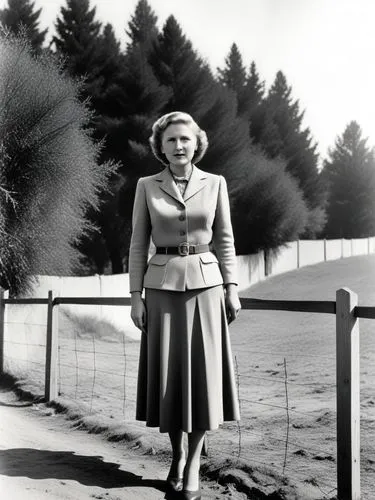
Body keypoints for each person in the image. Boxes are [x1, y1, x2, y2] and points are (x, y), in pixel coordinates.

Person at [129, 111, 241, 500]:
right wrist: (135, 297)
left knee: (202, 379)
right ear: (160, 146)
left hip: (207, 290)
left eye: (185, 139)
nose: (179, 146)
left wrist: (232, 287)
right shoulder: (146, 185)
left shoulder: (216, 184)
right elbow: (137, 244)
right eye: (171, 140)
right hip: (160, 289)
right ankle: (176, 456)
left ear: (197, 144)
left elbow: (224, 238)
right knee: (169, 379)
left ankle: (193, 462)